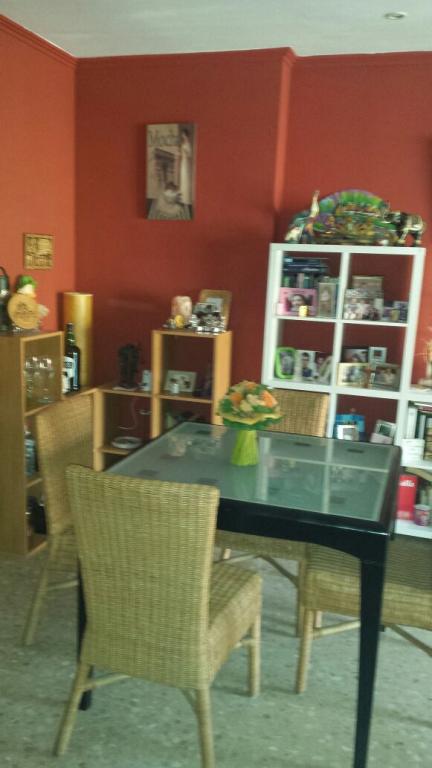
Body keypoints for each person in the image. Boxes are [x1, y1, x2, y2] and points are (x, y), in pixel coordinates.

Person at [179, 128, 193, 216]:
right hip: (183, 162)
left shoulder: (188, 144)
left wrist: (185, 152)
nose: (182, 136)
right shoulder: (183, 143)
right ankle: (183, 199)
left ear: (186, 135)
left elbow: (190, 155)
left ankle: (187, 200)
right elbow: (182, 153)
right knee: (182, 180)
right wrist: (180, 153)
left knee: (186, 180)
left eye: (183, 134)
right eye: (182, 135)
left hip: (186, 163)